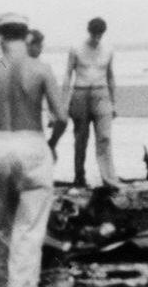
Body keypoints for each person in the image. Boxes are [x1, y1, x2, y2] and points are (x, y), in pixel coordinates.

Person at [0, 13, 68, 287]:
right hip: (31, 142)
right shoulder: (40, 69)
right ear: (26, 37)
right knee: (30, 226)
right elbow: (62, 116)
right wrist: (51, 143)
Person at [48, 17, 121, 189]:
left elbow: (110, 75)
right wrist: (64, 103)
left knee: (104, 137)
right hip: (80, 93)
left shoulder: (109, 49)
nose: (96, 38)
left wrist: (114, 103)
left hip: (101, 93)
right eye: (94, 35)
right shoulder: (76, 48)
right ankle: (79, 177)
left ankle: (109, 179)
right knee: (81, 138)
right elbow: (67, 75)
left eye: (99, 35)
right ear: (89, 32)